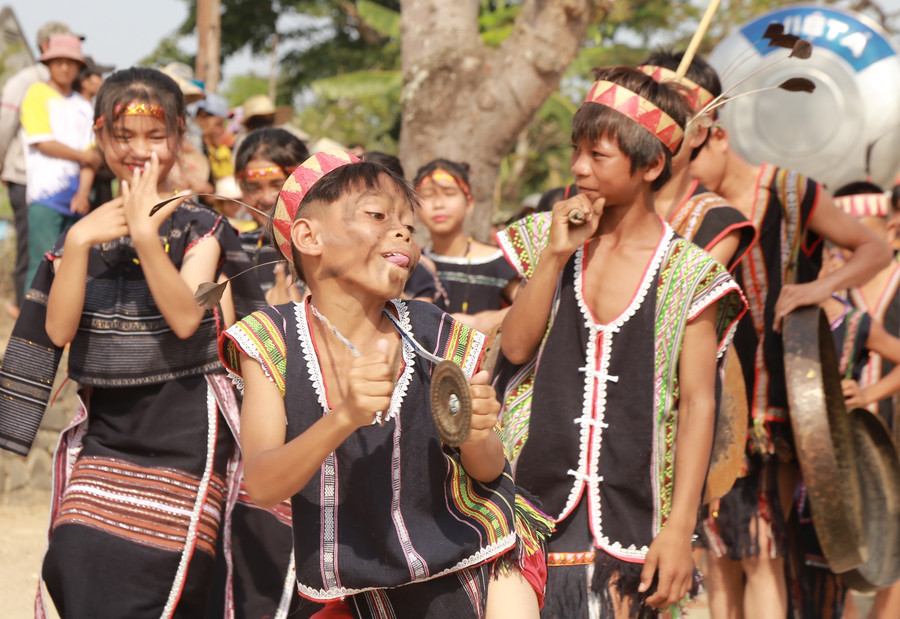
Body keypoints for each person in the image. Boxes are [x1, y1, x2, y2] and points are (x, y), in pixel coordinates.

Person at [220, 150, 551, 618]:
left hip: (480, 561)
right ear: (309, 236)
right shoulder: (270, 340)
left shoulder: (432, 330)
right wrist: (344, 418)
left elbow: (487, 469)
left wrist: (477, 430)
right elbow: (264, 483)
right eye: (378, 215)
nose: (402, 232)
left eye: (408, 226)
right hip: (365, 591)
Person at [0, 66, 264, 616]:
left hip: (187, 427)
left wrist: (144, 236)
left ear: (178, 136)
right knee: (74, 555)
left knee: (160, 575)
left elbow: (188, 317)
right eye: (123, 136)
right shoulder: (85, 230)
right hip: (107, 427)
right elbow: (58, 331)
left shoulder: (202, 228)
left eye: (155, 134)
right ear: (100, 139)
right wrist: (77, 242)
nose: (139, 150)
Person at [495, 65, 746, 618]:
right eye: (576, 151)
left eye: (598, 155)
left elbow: (700, 402)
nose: (579, 168)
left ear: (651, 164)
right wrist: (556, 256)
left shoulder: (691, 275)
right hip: (530, 504)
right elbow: (514, 349)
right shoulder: (547, 238)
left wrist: (681, 530)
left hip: (637, 515)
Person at [690, 99, 892, 619]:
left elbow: (874, 250)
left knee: (769, 548)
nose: (682, 171)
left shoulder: (789, 189)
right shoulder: (693, 207)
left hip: (787, 403)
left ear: (717, 137)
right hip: (715, 400)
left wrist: (819, 288)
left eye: (689, 156)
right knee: (722, 555)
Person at [638, 50, 754, 271]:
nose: (650, 127)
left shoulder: (718, 223)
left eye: (669, 116)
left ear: (699, 132)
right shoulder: (577, 200)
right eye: (642, 112)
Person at [0, 21, 78, 317]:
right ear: (46, 47)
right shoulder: (27, 81)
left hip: (61, 182)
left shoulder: (68, 89)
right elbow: (5, 126)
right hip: (25, 175)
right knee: (31, 249)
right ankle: (26, 311)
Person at [21, 33, 95, 292]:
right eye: (58, 61)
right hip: (45, 196)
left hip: (77, 198)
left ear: (79, 67)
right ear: (48, 64)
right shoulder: (37, 94)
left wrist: (84, 192)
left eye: (70, 62)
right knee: (42, 262)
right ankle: (31, 327)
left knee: (75, 265)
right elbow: (42, 141)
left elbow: (92, 156)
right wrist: (84, 156)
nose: (64, 67)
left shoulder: (84, 105)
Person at [414, 158, 520, 332]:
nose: (439, 204)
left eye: (449, 194)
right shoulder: (415, 263)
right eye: (427, 195)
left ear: (469, 203)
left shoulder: (497, 262)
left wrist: (484, 322)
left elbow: (531, 305)